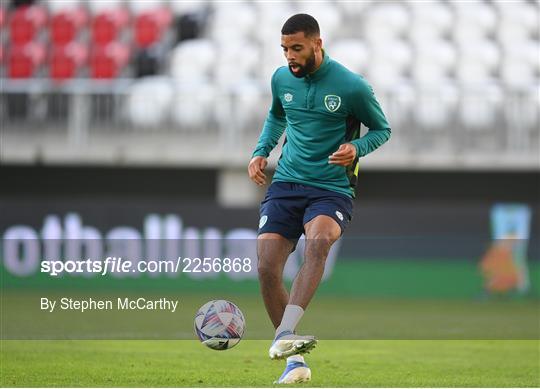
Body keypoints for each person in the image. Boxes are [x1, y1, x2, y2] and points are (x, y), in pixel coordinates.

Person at [248, 13, 391, 384]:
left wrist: (356, 148)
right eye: (284, 49)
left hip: (331, 187)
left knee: (320, 240)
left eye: (296, 48)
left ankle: (284, 332)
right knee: (265, 268)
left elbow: (382, 129)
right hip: (287, 184)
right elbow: (277, 116)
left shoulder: (351, 86)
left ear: (317, 43)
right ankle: (293, 360)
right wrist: (260, 151)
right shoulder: (281, 79)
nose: (289, 57)